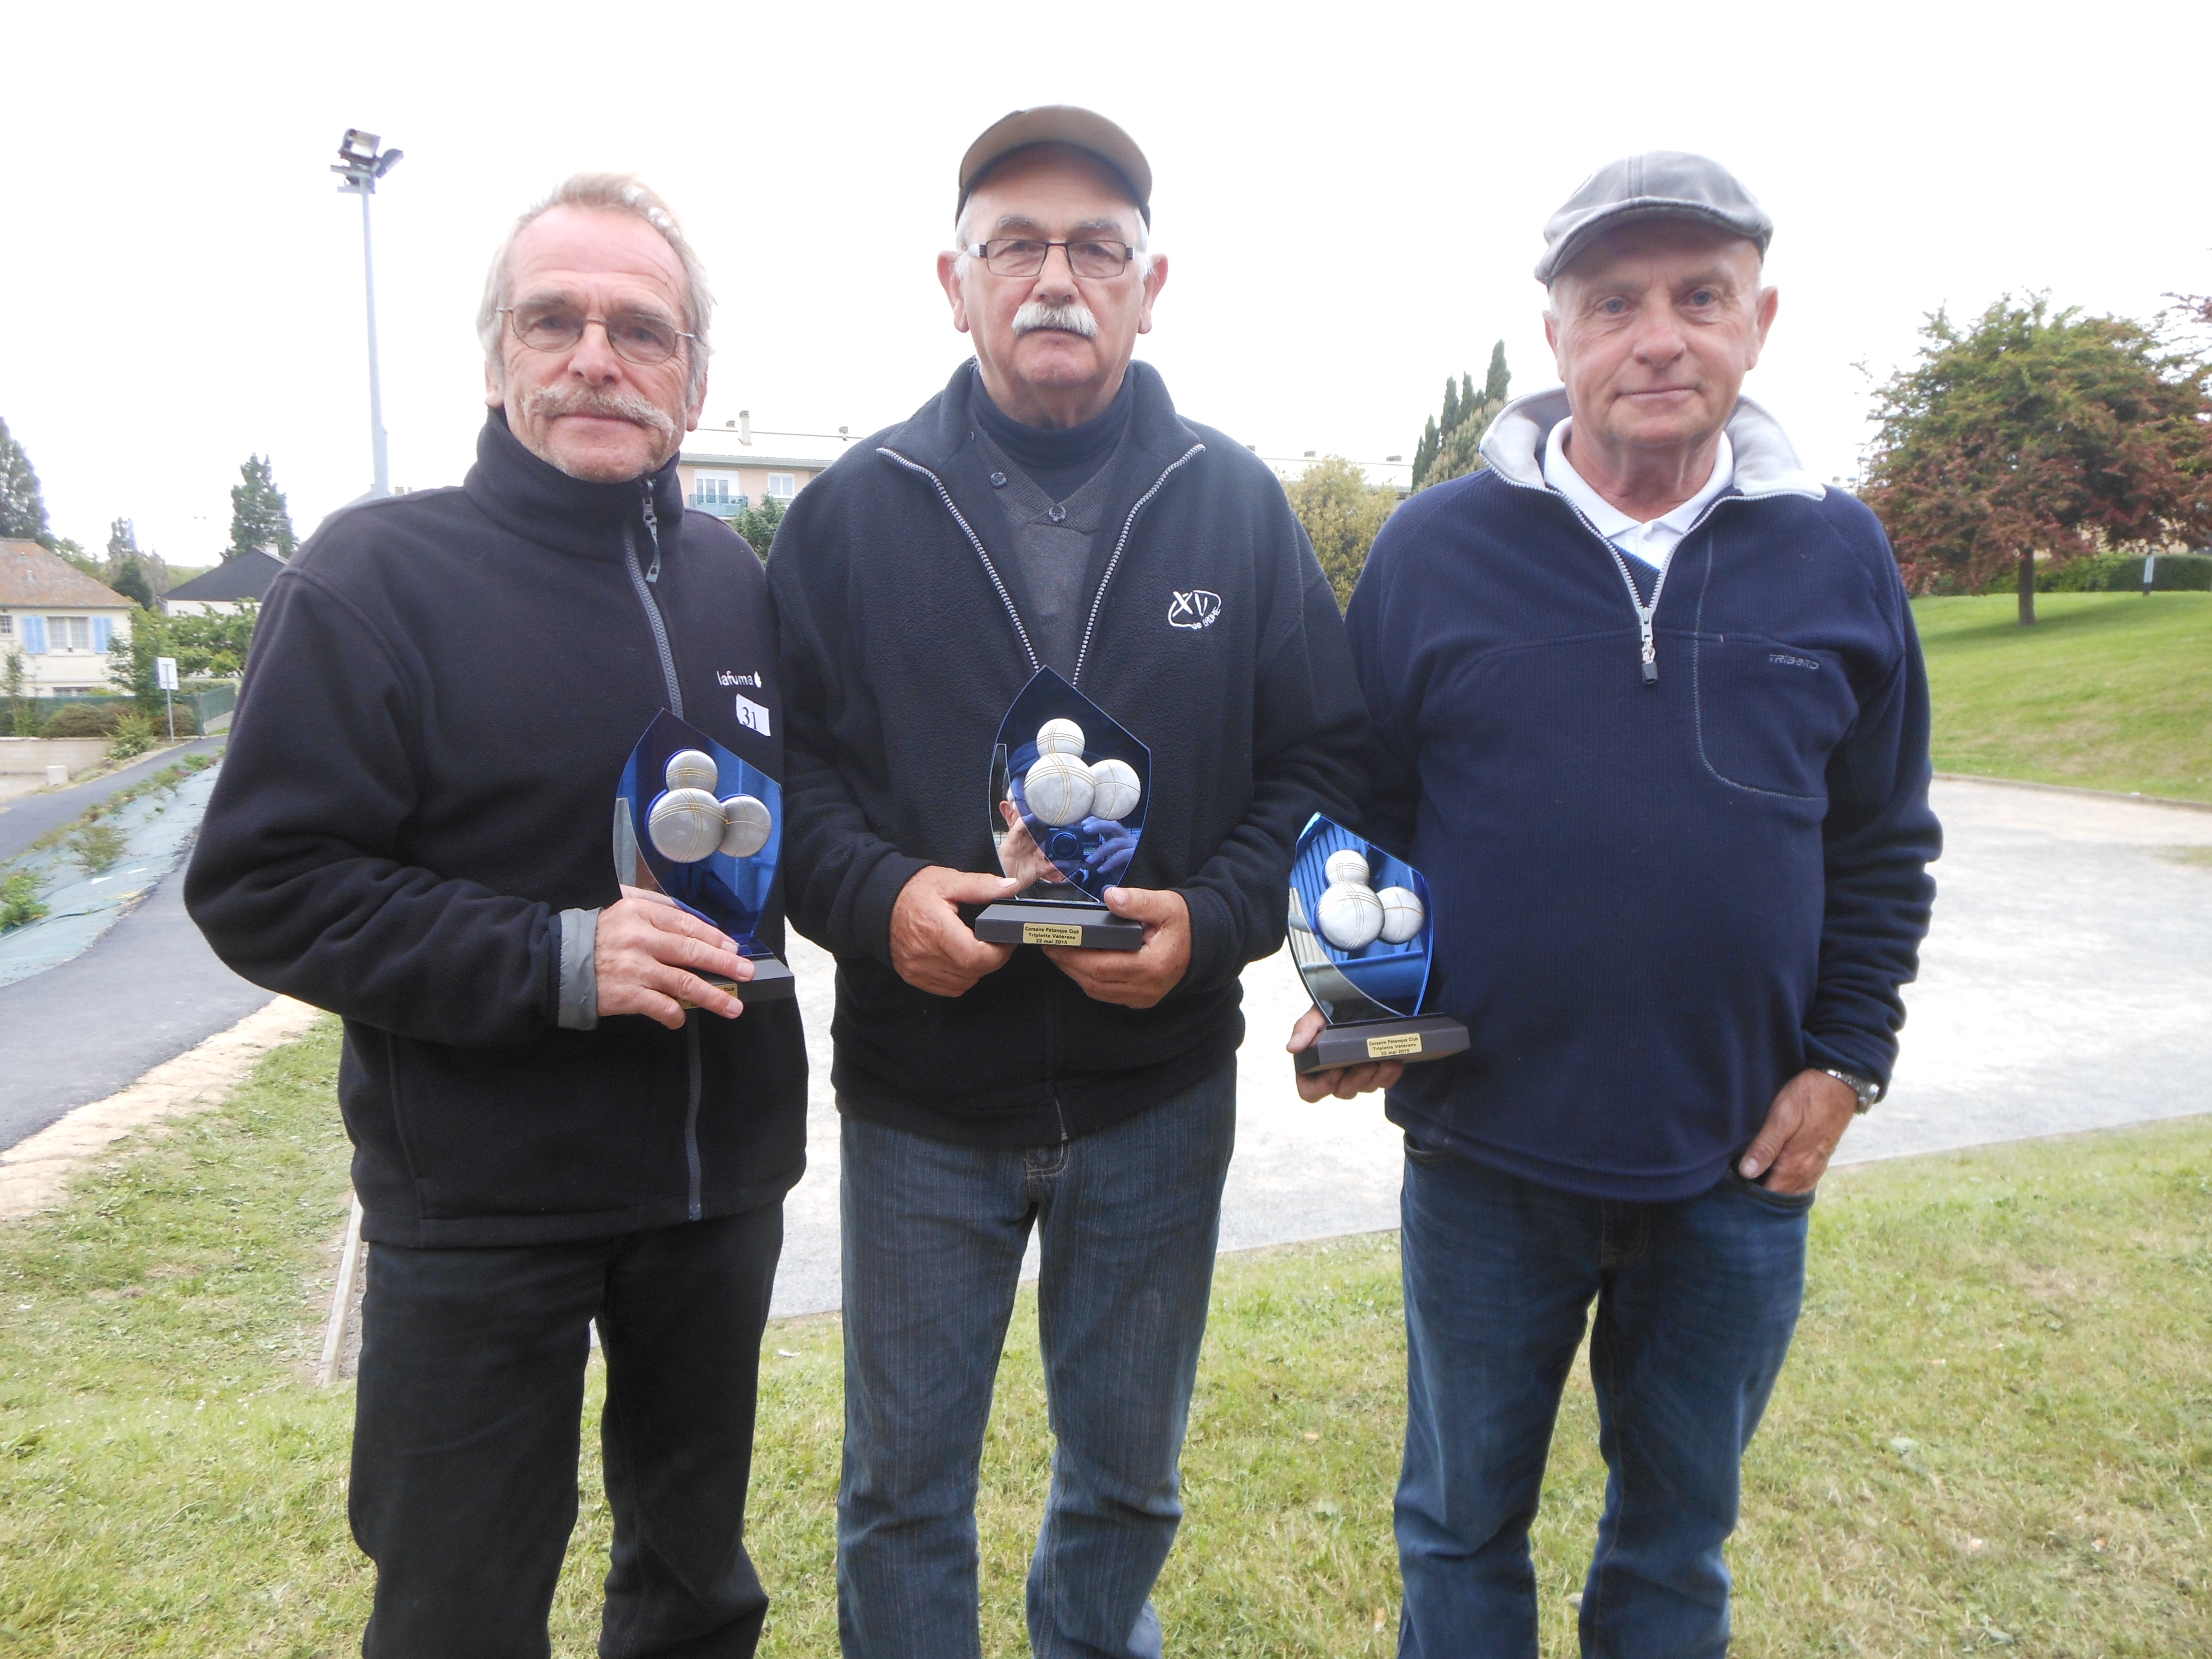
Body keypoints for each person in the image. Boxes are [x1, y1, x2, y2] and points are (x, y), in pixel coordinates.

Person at [1293, 152, 1941, 1655]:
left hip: (1736, 1170)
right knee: (1459, 1529)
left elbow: (1883, 841)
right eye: (1617, 302)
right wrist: (1361, 1011)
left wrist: (1846, 1063)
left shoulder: (1838, 553)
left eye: (1699, 298)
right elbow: (1358, 819)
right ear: (1557, 332)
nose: (1660, 336)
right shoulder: (1433, 549)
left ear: (1759, 321)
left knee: (1675, 1547)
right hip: (1485, 1159)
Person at [769, 107, 1367, 1659]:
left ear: (1150, 285)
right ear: (951, 282)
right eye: (1015, 246)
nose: (1056, 278)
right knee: (903, 1493)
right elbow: (792, 788)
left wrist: (1216, 928)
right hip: (921, 1105)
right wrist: (882, 898)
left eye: (1095, 248)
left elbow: (1320, 763)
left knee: (1126, 1482)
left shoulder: (1234, 505)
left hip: (1156, 1098)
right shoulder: (850, 513)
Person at [186, 174, 806, 1658]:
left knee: (695, 1590)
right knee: (459, 1603)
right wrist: (556, 955)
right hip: (479, 1205)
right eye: (555, 320)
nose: (597, 356)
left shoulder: (733, 579)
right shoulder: (372, 578)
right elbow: (262, 883)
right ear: (496, 360)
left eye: (640, 330)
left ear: (695, 381)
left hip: (714, 1191)